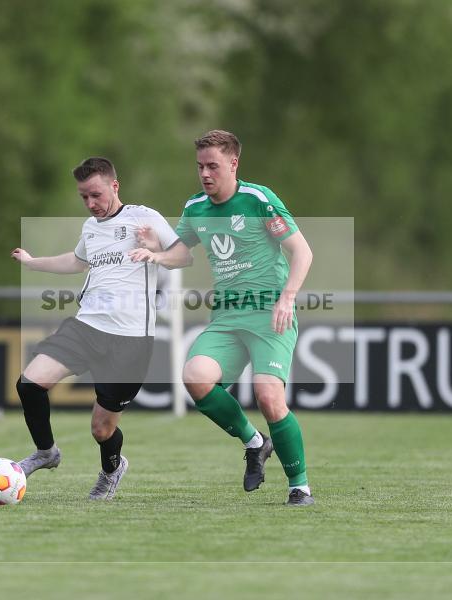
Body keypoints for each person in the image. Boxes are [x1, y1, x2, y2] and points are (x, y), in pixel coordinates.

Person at [129, 130, 316, 506]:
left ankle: (300, 486)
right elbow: (183, 254)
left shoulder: (258, 200)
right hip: (228, 317)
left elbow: (302, 252)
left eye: (213, 165)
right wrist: (157, 253)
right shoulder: (196, 207)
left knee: (268, 396)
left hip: (268, 315)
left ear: (233, 164)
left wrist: (287, 298)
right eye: (200, 166)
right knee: (195, 377)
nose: (205, 174)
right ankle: (255, 442)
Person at [12, 157, 180, 500]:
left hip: (130, 339)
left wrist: (155, 251)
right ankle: (46, 452)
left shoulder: (144, 217)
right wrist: (33, 263)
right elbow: (76, 261)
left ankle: (111, 469)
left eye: (96, 195)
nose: (91, 204)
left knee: (101, 429)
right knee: (29, 384)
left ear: (114, 186)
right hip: (86, 326)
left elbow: (183, 256)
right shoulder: (91, 227)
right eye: (83, 197)